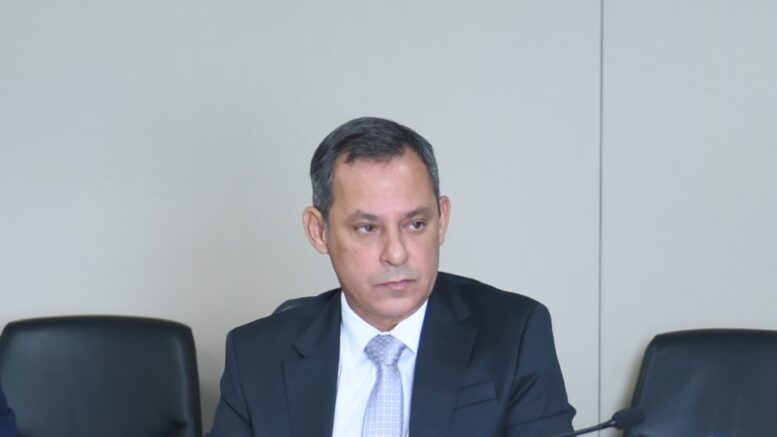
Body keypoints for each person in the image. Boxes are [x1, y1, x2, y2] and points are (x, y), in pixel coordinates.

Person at [209, 117, 575, 436]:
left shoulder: (513, 335)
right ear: (319, 231)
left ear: (442, 220)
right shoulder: (256, 357)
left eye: (415, 224)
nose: (396, 253)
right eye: (367, 228)